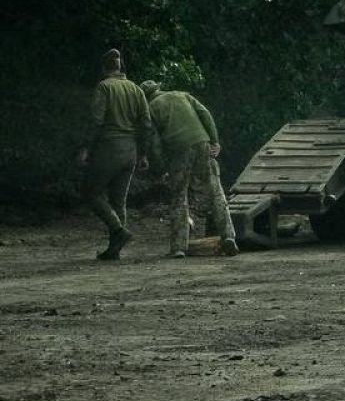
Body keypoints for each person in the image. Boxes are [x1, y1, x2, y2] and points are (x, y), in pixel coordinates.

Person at [143, 81, 239, 258]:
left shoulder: (150, 108)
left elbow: (154, 142)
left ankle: (179, 248)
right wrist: (214, 141)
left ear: (145, 96)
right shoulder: (182, 95)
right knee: (215, 191)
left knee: (179, 197)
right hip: (202, 143)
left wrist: (161, 167)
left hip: (178, 149)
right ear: (159, 88)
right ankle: (228, 236)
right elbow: (205, 114)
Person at [80, 49, 152, 260]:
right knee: (119, 201)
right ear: (121, 68)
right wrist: (143, 153)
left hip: (109, 147)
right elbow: (146, 124)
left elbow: (96, 121)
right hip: (130, 151)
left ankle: (118, 230)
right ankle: (115, 250)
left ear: (104, 68)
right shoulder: (136, 89)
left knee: (91, 193)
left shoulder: (104, 87)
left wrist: (86, 148)